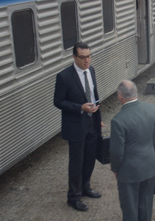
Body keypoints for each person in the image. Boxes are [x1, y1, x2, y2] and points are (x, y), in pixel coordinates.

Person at [54, 42, 104, 212]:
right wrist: (80, 108)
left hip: (92, 123)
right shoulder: (64, 76)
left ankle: (85, 188)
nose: (86, 60)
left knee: (90, 158)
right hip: (75, 126)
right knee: (76, 162)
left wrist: (98, 118)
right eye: (82, 57)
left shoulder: (91, 70)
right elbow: (58, 101)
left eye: (89, 56)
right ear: (74, 57)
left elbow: (94, 95)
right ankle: (73, 197)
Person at [110, 80, 155, 221]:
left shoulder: (118, 120)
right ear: (136, 92)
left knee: (130, 208)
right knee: (145, 204)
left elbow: (117, 151)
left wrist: (115, 168)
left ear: (120, 97)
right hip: (149, 165)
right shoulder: (152, 109)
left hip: (129, 171)